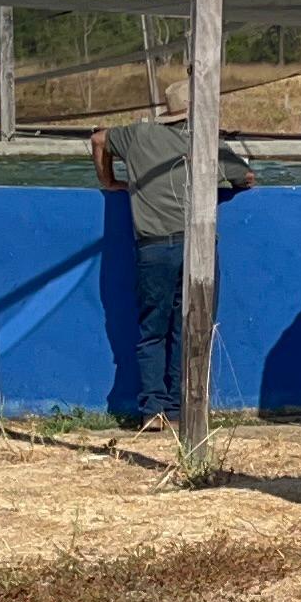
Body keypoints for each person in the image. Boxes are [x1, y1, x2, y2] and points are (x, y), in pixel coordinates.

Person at [90, 80, 253, 434]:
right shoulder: (207, 142)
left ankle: (152, 410)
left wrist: (109, 181)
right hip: (197, 247)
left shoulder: (138, 136)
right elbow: (247, 177)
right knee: (189, 329)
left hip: (152, 247)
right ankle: (181, 410)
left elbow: (99, 139)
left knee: (152, 330)